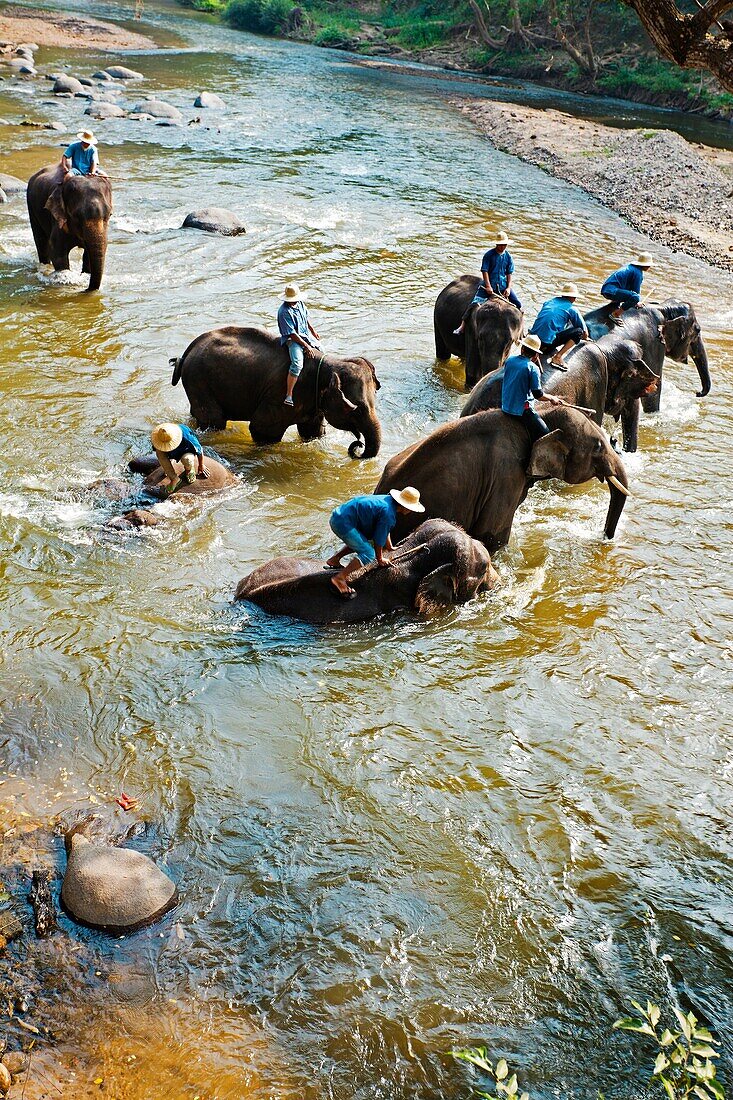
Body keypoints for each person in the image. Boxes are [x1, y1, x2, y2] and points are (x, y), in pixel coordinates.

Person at [326, 487, 425, 598]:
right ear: (405, 507)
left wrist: (390, 547)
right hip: (343, 523)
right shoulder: (388, 514)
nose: (411, 511)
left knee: (362, 543)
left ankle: (334, 559)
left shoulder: (388, 501)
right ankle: (339, 578)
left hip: (339, 515)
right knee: (369, 554)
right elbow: (378, 539)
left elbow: (384, 530)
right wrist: (380, 559)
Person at [454, 229, 521, 336]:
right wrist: (488, 286)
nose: (502, 247)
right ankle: (462, 326)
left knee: (517, 304)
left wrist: (508, 288)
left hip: (503, 286)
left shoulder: (508, 257)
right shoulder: (489, 255)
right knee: (474, 304)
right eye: (500, 245)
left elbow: (509, 274)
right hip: (488, 285)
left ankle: (520, 332)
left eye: (504, 244)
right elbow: (484, 271)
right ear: (496, 244)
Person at [501, 333, 566, 442]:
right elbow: (538, 395)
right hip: (521, 411)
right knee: (546, 434)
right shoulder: (533, 368)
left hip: (505, 406)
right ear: (536, 355)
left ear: (522, 349)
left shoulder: (509, 361)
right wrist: (552, 398)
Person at [277, 284, 322, 407]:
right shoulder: (284, 312)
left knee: (322, 352)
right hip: (293, 340)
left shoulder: (300, 304)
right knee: (297, 364)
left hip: (305, 335)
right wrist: (306, 346)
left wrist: (313, 331)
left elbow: (306, 318)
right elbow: (292, 333)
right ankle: (289, 394)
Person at [529, 282, 589, 368]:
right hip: (545, 344)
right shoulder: (572, 309)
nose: (575, 299)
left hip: (532, 339)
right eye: (575, 297)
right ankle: (558, 356)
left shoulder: (549, 302)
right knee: (578, 332)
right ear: (572, 297)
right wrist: (585, 338)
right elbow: (584, 333)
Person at [151, 422, 208, 494]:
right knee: (159, 453)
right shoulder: (159, 434)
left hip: (185, 451)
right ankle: (174, 479)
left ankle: (189, 469)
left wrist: (201, 465)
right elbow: (155, 448)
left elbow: (199, 448)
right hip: (170, 452)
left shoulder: (185, 435)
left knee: (187, 459)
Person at [601, 253, 653, 318]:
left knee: (628, 293)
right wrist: (637, 302)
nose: (649, 267)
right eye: (648, 265)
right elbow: (635, 291)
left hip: (607, 289)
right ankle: (616, 314)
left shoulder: (630, 267)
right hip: (612, 291)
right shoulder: (638, 273)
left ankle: (613, 304)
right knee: (635, 297)